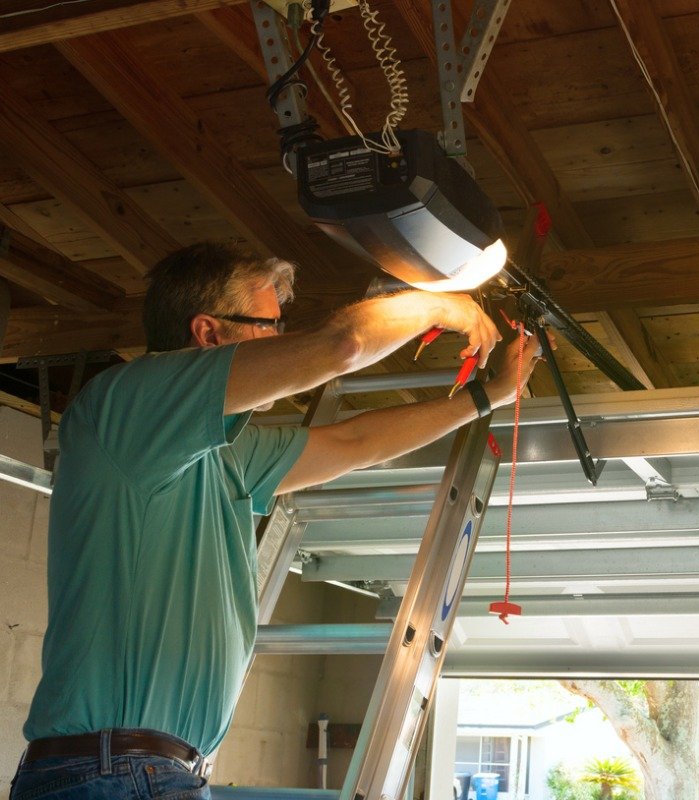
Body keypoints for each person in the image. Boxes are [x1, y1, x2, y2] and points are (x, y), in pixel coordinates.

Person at [11, 241, 542, 800]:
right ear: (209, 333)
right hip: (116, 770)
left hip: (142, 771)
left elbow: (355, 442)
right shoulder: (127, 406)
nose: (281, 340)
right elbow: (342, 345)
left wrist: (486, 396)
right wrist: (442, 304)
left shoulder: (225, 454)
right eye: (269, 325)